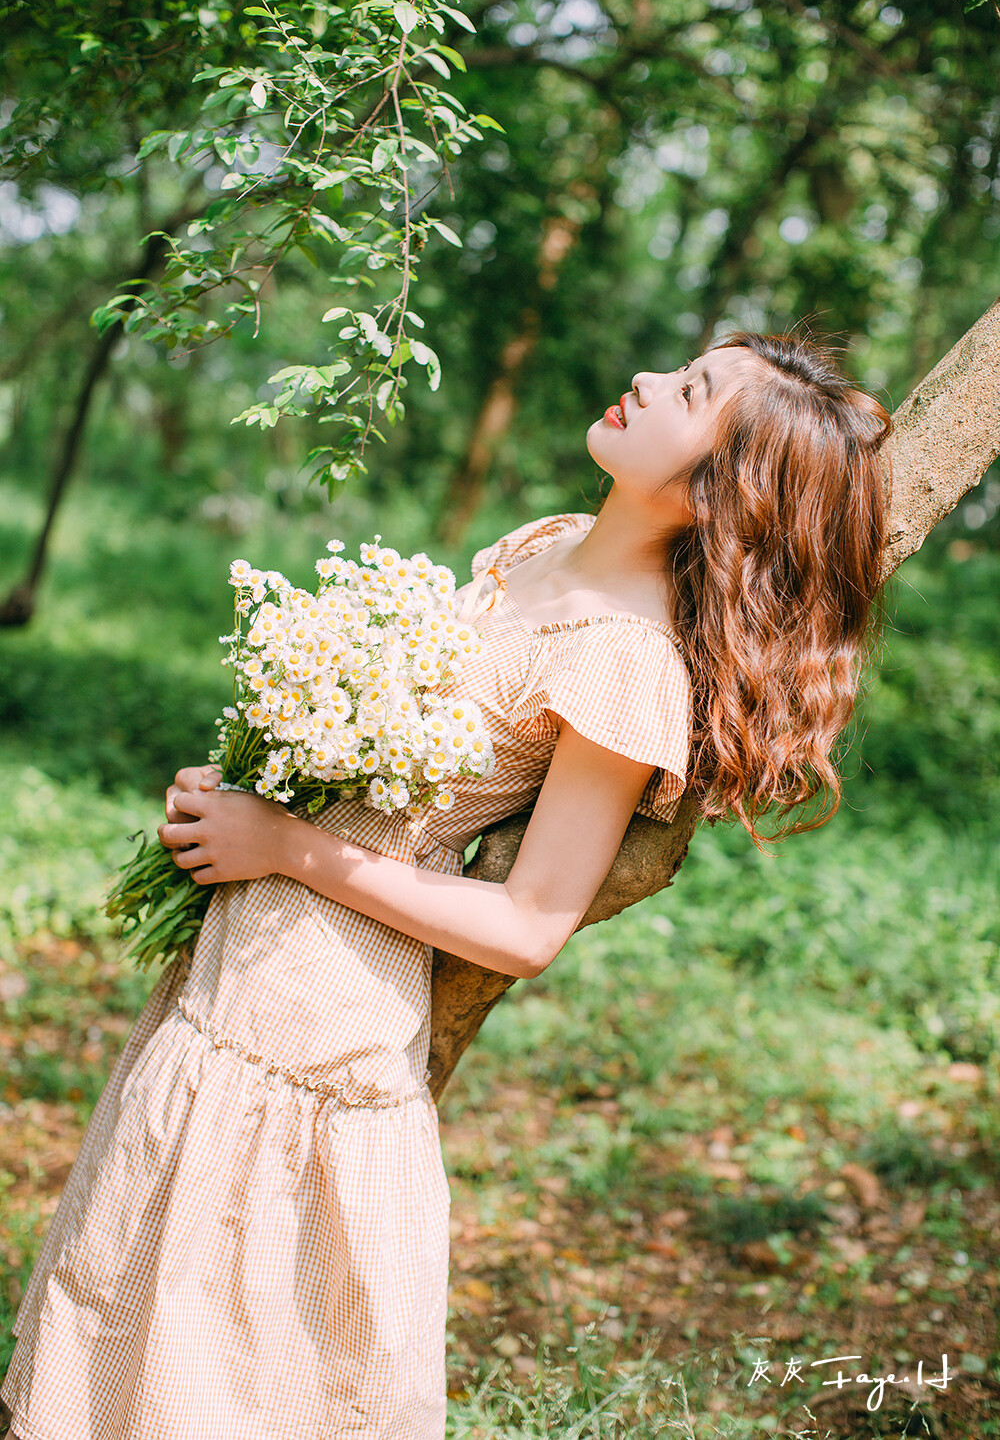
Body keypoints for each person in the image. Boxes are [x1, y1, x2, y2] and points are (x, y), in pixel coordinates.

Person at [1, 329, 891, 1440]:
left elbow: (527, 926)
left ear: (722, 492)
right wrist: (258, 780)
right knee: (128, 1302)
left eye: (689, 391)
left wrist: (286, 845)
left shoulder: (621, 663)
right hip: (239, 971)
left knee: (226, 1365)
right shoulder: (544, 549)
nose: (646, 381)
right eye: (676, 366)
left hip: (318, 1025)